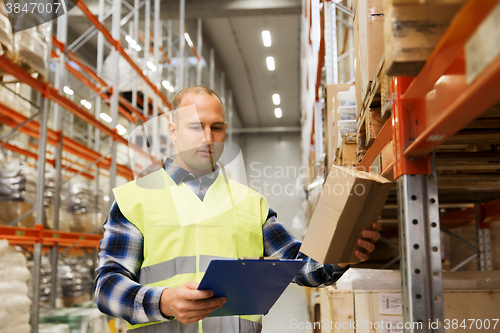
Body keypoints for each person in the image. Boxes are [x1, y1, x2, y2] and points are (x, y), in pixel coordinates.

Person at [94, 86, 382, 333]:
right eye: (195, 126)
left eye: (216, 127)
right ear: (172, 129)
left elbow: (299, 264)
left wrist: (342, 254)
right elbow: (107, 287)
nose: (208, 137)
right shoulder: (136, 198)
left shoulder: (250, 202)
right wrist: (163, 301)